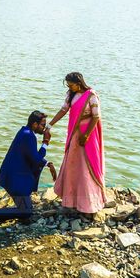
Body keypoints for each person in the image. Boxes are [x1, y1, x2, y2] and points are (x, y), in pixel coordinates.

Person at [0, 110, 57, 223]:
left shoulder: (24, 132)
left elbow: (30, 155)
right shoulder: (29, 136)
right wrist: (45, 142)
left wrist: (47, 164)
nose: (44, 128)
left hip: (13, 177)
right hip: (15, 180)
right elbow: (35, 159)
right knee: (26, 212)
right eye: (43, 125)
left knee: (26, 211)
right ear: (34, 124)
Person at [48, 72, 106, 215]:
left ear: (78, 83)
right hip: (74, 134)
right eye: (68, 85)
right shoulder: (71, 95)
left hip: (87, 136)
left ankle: (89, 203)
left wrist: (86, 135)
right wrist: (50, 125)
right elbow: (63, 110)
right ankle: (71, 201)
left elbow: (95, 116)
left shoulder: (91, 95)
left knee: (87, 166)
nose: (69, 87)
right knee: (73, 164)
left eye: (71, 85)